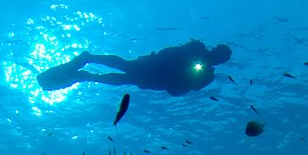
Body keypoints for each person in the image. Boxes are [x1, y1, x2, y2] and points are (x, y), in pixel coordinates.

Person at [37, 39, 232, 96]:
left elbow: (184, 89)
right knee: (125, 66)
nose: (216, 57)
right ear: (215, 49)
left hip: (157, 80)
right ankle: (89, 58)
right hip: (154, 66)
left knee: (124, 79)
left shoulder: (208, 76)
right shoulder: (197, 48)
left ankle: (87, 76)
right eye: (218, 53)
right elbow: (173, 50)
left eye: (220, 58)